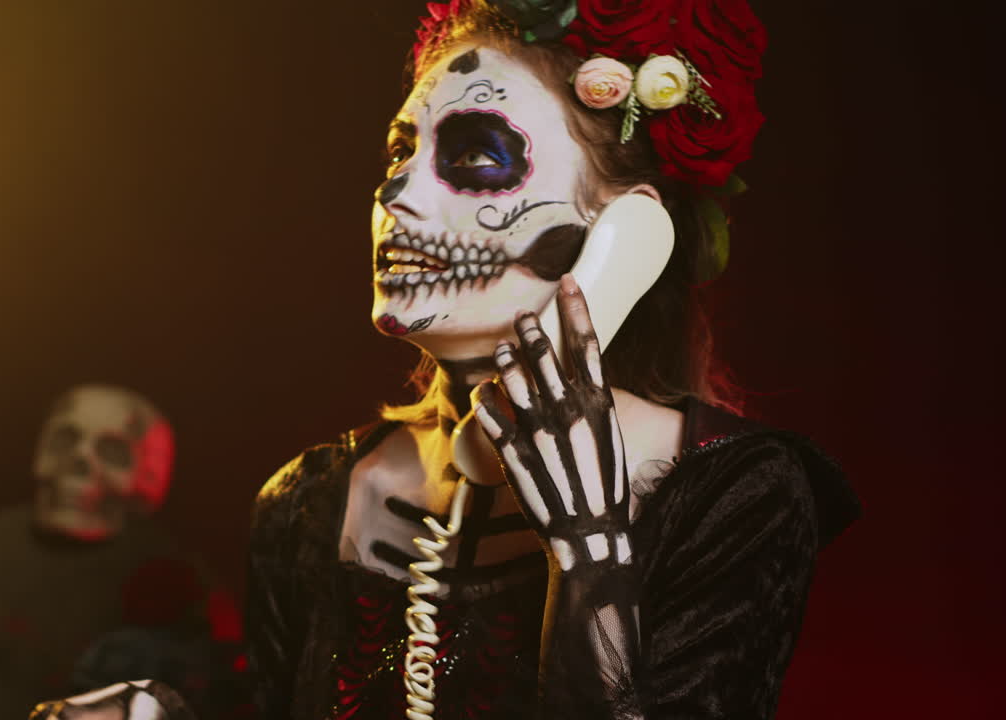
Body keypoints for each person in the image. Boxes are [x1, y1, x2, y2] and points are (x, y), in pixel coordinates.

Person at [246, 2, 859, 719]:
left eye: (475, 156)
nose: (395, 194)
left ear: (627, 230)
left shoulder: (738, 494)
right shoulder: (306, 503)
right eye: (399, 152)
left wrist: (589, 548)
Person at [0, 385, 218, 720]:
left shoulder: (183, 593)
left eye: (113, 452)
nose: (79, 463)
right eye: (65, 440)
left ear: (148, 477)